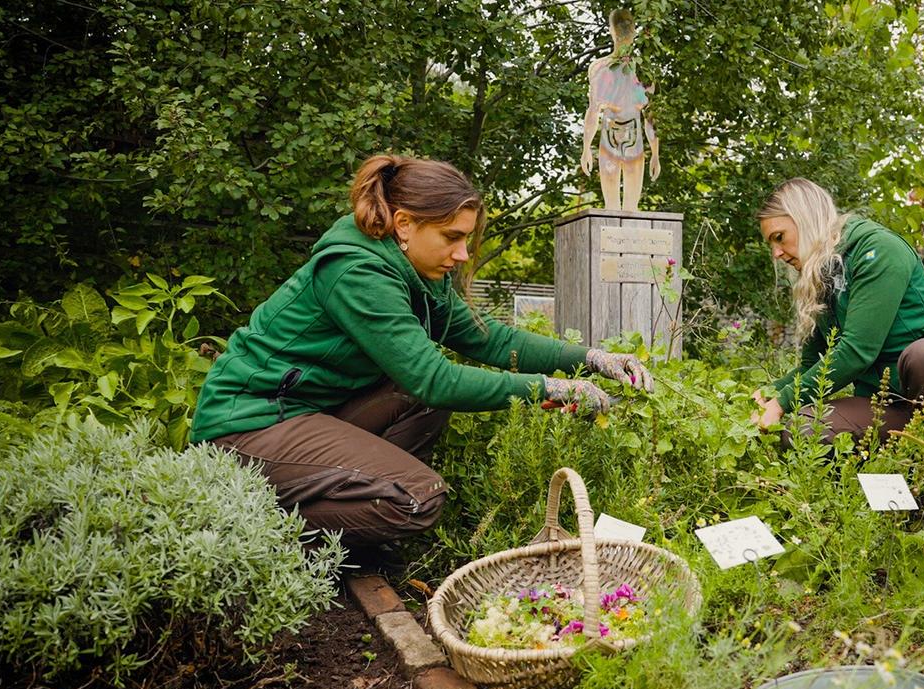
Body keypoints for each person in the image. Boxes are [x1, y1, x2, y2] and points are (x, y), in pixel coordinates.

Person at [190, 155, 652, 562]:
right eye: (452, 237)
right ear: (405, 223)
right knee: (417, 499)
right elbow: (435, 378)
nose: (462, 253)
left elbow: (485, 340)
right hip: (252, 424)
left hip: (310, 412)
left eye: (466, 239)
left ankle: (360, 525)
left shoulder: (416, 270)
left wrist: (590, 358)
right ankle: (257, 531)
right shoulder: (358, 272)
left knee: (418, 400)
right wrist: (548, 389)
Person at [749, 178, 924, 465]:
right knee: (803, 429)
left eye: (779, 237)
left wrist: (782, 402)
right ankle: (884, 498)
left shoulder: (877, 249)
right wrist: (770, 395)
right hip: (898, 406)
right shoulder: (822, 276)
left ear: (807, 220)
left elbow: (856, 351)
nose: (776, 253)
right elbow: (815, 364)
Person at [580, 9, 660, 211]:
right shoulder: (601, 68)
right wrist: (586, 148)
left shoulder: (641, 70)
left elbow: (650, 117)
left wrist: (656, 153)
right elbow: (593, 112)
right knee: (616, 208)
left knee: (626, 207)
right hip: (614, 136)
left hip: (626, 137)